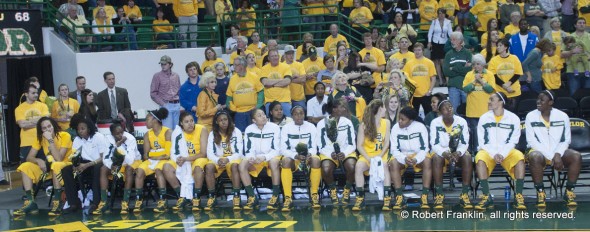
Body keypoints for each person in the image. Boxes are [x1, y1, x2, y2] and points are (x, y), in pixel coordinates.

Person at [525, 90, 582, 207]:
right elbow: (531, 141)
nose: (538, 102)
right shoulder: (530, 116)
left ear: (550, 102)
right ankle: (540, 193)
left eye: (542, 100)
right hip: (539, 151)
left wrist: (557, 154)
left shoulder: (563, 116)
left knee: (576, 156)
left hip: (558, 152)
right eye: (538, 99)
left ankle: (569, 192)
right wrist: (551, 156)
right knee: (534, 156)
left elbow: (566, 140)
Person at [474, 92, 526, 210]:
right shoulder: (484, 118)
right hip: (488, 151)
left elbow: (513, 141)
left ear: (501, 102)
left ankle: (518, 195)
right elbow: (482, 141)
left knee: (519, 157)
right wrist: (494, 154)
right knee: (479, 158)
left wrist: (502, 153)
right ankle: (487, 196)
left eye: (492, 99)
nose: (489, 102)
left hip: (507, 151)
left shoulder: (513, 118)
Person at [13, 117, 72, 216]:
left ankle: (57, 202)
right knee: (25, 166)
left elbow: (59, 158)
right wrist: (38, 160)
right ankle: (30, 202)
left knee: (56, 164)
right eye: (44, 128)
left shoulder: (65, 135)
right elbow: (29, 157)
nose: (48, 129)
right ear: (41, 130)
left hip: (66, 166)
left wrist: (50, 140)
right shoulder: (40, 138)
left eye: (49, 126)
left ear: (54, 126)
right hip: (51, 167)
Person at [133, 108, 180, 213]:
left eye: (147, 119)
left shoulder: (168, 132)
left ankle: (163, 200)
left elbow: (167, 155)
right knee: (139, 170)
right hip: (153, 160)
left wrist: (153, 154)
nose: (145, 122)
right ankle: (138, 200)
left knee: (159, 169)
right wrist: (158, 153)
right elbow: (145, 155)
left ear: (154, 119)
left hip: (166, 161)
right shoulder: (147, 135)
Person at [429, 100, 473, 209]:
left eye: (450, 107)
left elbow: (464, 142)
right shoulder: (435, 122)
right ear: (440, 112)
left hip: (458, 151)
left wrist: (458, 152)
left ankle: (465, 194)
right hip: (441, 151)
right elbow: (434, 143)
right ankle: (439, 194)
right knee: (436, 158)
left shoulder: (461, 121)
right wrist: (444, 153)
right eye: (445, 108)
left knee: (467, 157)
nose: (449, 110)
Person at [316, 98, 357, 207]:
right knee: (325, 168)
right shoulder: (322, 123)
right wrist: (331, 154)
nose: (344, 108)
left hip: (346, 152)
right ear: (334, 109)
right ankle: (332, 190)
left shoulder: (347, 122)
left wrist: (344, 152)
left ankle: (347, 190)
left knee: (352, 167)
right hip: (328, 153)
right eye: (341, 107)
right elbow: (321, 144)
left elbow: (351, 142)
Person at [93, 123, 141, 215]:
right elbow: (106, 157)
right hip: (117, 162)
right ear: (112, 134)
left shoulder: (130, 139)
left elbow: (130, 160)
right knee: (103, 169)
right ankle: (104, 202)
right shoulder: (107, 139)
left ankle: (125, 202)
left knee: (129, 169)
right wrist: (111, 165)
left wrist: (119, 146)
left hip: (133, 160)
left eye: (121, 132)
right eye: (117, 134)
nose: (120, 135)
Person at [389, 106, 431, 209]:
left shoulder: (420, 127)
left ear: (411, 120)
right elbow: (394, 149)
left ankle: (424, 196)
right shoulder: (395, 128)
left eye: (403, 119)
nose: (399, 121)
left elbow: (425, 148)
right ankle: (399, 196)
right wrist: (403, 158)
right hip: (402, 156)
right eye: (399, 118)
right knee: (393, 163)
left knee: (427, 161)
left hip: (418, 155)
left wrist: (417, 158)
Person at [352, 99, 391, 211]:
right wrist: (369, 159)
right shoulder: (363, 125)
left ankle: (387, 197)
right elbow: (359, 146)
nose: (385, 110)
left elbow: (387, 143)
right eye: (383, 107)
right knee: (359, 166)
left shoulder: (386, 123)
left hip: (381, 154)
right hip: (367, 155)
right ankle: (360, 197)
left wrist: (379, 156)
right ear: (379, 109)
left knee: (384, 165)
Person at [239, 109, 282, 210]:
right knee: (242, 166)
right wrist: (251, 158)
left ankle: (275, 196)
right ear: (254, 120)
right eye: (259, 115)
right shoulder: (249, 129)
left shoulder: (274, 128)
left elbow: (277, 150)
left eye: (263, 114)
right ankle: (252, 197)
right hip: (256, 158)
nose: (263, 116)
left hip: (271, 156)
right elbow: (248, 149)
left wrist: (264, 157)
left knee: (274, 162)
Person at [65, 116, 108, 214]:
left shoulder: (98, 137)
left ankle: (96, 202)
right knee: (66, 169)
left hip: (97, 163)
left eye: (83, 128)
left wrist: (87, 165)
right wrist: (75, 165)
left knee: (98, 169)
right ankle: (74, 203)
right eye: (78, 129)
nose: (80, 131)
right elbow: (75, 156)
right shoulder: (77, 140)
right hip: (83, 164)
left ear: (89, 128)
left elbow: (103, 158)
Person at [279, 106, 318, 211]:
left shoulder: (311, 127)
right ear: (292, 116)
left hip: (308, 157)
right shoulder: (286, 128)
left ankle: (314, 195)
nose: (299, 116)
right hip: (294, 158)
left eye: (301, 113)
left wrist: (309, 154)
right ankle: (288, 198)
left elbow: (314, 147)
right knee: (285, 161)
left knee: (316, 160)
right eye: (296, 114)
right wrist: (295, 155)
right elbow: (283, 149)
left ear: (304, 115)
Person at [170, 112, 209, 211]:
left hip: (198, 158)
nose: (190, 124)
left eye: (192, 121)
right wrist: (178, 159)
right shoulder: (178, 133)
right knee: (166, 167)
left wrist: (185, 159)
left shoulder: (202, 129)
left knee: (197, 166)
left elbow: (203, 153)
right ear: (181, 123)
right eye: (186, 122)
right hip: (184, 160)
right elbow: (174, 151)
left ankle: (196, 197)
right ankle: (182, 196)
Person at [204, 111, 243, 210]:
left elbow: (239, 152)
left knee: (234, 166)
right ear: (217, 122)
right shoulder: (212, 134)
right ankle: (212, 196)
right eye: (221, 120)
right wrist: (218, 160)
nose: (224, 122)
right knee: (208, 167)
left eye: (225, 119)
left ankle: (236, 196)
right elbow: (209, 153)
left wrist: (228, 159)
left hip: (233, 159)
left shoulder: (236, 131)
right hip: (219, 160)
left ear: (229, 120)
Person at [226, 56, 264, 132]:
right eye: (234, 65)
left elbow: (261, 92)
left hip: (252, 111)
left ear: (242, 66)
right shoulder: (232, 79)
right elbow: (229, 97)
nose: (234, 67)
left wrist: (257, 106)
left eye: (236, 65)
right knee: (240, 134)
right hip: (239, 114)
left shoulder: (254, 76)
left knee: (254, 132)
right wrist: (234, 108)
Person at [15, 85, 50, 161]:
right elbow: (22, 124)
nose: (36, 95)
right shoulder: (19, 108)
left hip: (42, 141)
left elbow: (45, 121)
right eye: (33, 93)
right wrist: (39, 121)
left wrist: (28, 122)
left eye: (36, 93)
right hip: (27, 143)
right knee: (27, 168)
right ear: (26, 94)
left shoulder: (43, 105)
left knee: (46, 168)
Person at [463, 54, 496, 130]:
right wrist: (474, 81)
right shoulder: (469, 74)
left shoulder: (489, 74)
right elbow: (465, 89)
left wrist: (481, 80)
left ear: (483, 64)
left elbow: (490, 89)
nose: (475, 66)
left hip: (486, 111)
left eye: (478, 64)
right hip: (472, 112)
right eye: (474, 64)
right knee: (475, 136)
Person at [488, 38, 523, 110]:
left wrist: (508, 84)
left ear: (506, 47)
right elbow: (493, 76)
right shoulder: (493, 60)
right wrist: (505, 87)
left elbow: (517, 73)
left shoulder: (514, 58)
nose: (498, 47)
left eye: (500, 45)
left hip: (514, 91)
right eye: (497, 45)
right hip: (500, 93)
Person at [403, 42, 437, 115]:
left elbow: (433, 78)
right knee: (413, 116)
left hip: (426, 94)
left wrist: (430, 91)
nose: (417, 52)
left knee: (429, 115)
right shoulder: (409, 63)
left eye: (419, 50)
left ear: (422, 51)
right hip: (413, 94)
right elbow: (405, 78)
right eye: (415, 50)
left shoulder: (429, 62)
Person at [443, 31, 472, 111]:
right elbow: (446, 72)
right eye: (451, 40)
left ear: (460, 41)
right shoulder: (448, 54)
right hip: (453, 86)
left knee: (468, 110)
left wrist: (454, 68)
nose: (452, 42)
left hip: (466, 86)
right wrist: (463, 68)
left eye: (454, 40)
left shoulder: (468, 53)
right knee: (454, 111)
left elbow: (470, 70)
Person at [151, 55, 182, 129]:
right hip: (166, 104)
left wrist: (181, 104)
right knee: (167, 129)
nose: (163, 66)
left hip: (177, 104)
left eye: (165, 64)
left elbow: (179, 90)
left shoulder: (176, 76)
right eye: (162, 64)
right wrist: (163, 104)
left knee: (178, 130)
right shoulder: (157, 76)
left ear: (170, 64)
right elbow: (153, 93)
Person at [260, 50, 293, 116]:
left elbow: (287, 82)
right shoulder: (264, 68)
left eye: (276, 56)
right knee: (271, 125)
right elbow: (265, 83)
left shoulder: (286, 67)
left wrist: (271, 84)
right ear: (268, 58)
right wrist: (281, 80)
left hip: (285, 101)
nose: (275, 58)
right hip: (270, 101)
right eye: (272, 56)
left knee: (287, 123)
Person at [562, 18, 590, 96]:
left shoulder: (589, 36)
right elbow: (561, 54)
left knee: (587, 97)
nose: (582, 24)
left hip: (588, 70)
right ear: (575, 25)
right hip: (572, 71)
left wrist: (587, 56)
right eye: (580, 23)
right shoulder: (569, 37)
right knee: (574, 95)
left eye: (584, 23)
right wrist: (572, 51)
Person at [427, 8, 452, 86]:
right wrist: (429, 42)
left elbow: (450, 33)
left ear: (445, 14)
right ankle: (440, 80)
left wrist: (453, 41)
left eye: (442, 13)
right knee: (437, 62)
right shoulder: (434, 22)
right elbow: (430, 33)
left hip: (444, 43)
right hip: (435, 42)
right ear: (437, 14)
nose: (441, 15)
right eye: (439, 13)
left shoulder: (448, 22)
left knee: (443, 62)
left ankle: (447, 79)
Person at [283, 45, 308, 109]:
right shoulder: (281, 66)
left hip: (299, 97)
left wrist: (288, 80)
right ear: (285, 55)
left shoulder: (299, 65)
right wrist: (294, 77)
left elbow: (303, 79)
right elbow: (281, 81)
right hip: (286, 98)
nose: (291, 55)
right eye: (289, 54)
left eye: (292, 53)